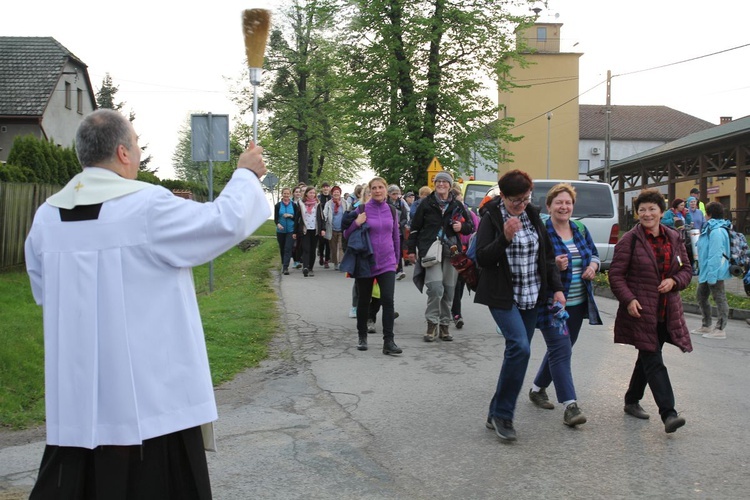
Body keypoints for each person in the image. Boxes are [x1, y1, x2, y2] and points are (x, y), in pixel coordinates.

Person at [24, 109, 269, 498]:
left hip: (76, 402)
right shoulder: (146, 207)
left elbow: (44, 294)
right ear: (123, 153)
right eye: (137, 143)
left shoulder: (46, 217)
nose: (138, 151)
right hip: (150, 402)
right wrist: (245, 174)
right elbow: (223, 222)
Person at [472, 169, 564, 442]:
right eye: (516, 201)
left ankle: (494, 411)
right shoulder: (491, 217)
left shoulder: (533, 214)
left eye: (526, 198)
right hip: (503, 296)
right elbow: (483, 258)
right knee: (520, 348)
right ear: (504, 196)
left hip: (532, 296)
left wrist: (557, 288)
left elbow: (546, 255)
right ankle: (503, 416)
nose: (521, 204)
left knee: (517, 354)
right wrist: (505, 239)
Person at [608, 188, 692, 434]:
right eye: (642, 209)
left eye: (652, 209)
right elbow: (616, 275)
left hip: (667, 311)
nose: (647, 214)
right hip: (641, 311)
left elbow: (686, 268)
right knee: (654, 359)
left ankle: (631, 400)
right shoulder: (630, 240)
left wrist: (675, 282)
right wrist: (629, 299)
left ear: (661, 212)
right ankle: (669, 413)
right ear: (637, 213)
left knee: (647, 358)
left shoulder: (674, 238)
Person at [527, 183, 602, 428]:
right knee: (562, 351)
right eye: (558, 202)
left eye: (568, 202)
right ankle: (570, 406)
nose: (564, 206)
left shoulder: (579, 228)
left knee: (561, 348)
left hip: (578, 303)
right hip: (551, 302)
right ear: (549, 206)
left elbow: (593, 253)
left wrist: (593, 266)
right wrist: (552, 268)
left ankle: (538, 389)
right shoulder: (541, 231)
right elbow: (531, 265)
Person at [407, 172, 474, 343]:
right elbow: (415, 228)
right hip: (431, 251)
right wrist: (412, 250)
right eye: (439, 181)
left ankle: (444, 325)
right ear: (435, 184)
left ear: (450, 185)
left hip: (452, 252)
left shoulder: (458, 205)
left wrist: (461, 227)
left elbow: (470, 226)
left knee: (449, 289)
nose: (441, 184)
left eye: (445, 181)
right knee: (436, 288)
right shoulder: (426, 204)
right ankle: (432, 323)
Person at [344, 177, 403, 355]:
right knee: (364, 300)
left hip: (387, 262)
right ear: (369, 191)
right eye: (374, 188)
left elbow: (396, 237)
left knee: (388, 301)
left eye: (380, 188)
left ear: (385, 190)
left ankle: (389, 341)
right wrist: (356, 223)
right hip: (366, 261)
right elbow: (347, 234)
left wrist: (396, 261)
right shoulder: (361, 210)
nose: (377, 191)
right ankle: (362, 336)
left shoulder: (392, 211)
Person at [692, 202, 731, 339]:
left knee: (719, 298)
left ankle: (720, 328)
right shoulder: (710, 228)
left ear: (709, 214)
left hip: (714, 272)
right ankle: (706, 325)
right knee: (701, 296)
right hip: (707, 271)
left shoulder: (717, 231)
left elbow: (715, 255)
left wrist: (712, 276)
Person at [449, 187, 479, 330]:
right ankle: (454, 312)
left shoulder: (469, 214)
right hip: (449, 252)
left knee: (459, 285)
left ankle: (456, 312)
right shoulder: (447, 213)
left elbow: (476, 231)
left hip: (465, 253)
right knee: (451, 284)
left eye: (460, 198)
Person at [321, 186, 350, 270]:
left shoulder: (345, 203)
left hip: (342, 228)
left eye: (338, 192)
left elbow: (348, 212)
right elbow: (325, 214)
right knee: (333, 247)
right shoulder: (329, 203)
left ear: (340, 193)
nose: (336, 193)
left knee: (341, 247)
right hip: (332, 228)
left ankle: (341, 263)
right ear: (332, 193)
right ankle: (335, 263)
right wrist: (324, 224)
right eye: (334, 192)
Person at [275, 187, 300, 275]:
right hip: (280, 231)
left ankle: (285, 267)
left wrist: (290, 216)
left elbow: (297, 218)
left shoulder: (293, 205)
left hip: (291, 230)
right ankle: (283, 263)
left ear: (290, 194)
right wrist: (278, 224)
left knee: (288, 248)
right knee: (282, 248)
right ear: (282, 194)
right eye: (284, 193)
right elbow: (276, 219)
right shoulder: (278, 205)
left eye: (287, 194)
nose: (286, 195)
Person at [387, 184, 409, 280]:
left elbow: (405, 217)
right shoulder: (386, 203)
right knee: (389, 250)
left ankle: (399, 270)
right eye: (393, 194)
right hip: (389, 231)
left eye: (397, 193)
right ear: (389, 194)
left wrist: (400, 224)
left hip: (399, 231)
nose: (396, 196)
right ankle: (390, 269)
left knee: (398, 251)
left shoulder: (401, 203)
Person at [298, 186, 321, 277]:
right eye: (310, 193)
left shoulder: (318, 204)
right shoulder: (301, 204)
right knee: (306, 249)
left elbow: (321, 217)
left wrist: (322, 229)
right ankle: (305, 267)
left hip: (315, 230)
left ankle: (311, 268)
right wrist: (296, 231)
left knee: (312, 249)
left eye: (313, 193)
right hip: (305, 230)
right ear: (306, 193)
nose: (312, 194)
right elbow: (297, 218)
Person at [317, 182, 332, 268]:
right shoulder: (319, 198)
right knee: (321, 242)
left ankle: (327, 260)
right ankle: (321, 256)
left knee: (328, 242)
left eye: (327, 187)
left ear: (329, 189)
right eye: (324, 187)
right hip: (321, 222)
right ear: (322, 189)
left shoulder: (331, 198)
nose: (326, 189)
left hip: (329, 223)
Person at [291, 186, 304, 269]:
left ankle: (298, 260)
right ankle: (295, 260)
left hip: (300, 226)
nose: (298, 193)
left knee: (299, 244)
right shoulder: (291, 203)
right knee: (293, 245)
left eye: (299, 192)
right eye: (296, 192)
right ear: (293, 193)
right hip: (291, 226)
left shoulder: (303, 202)